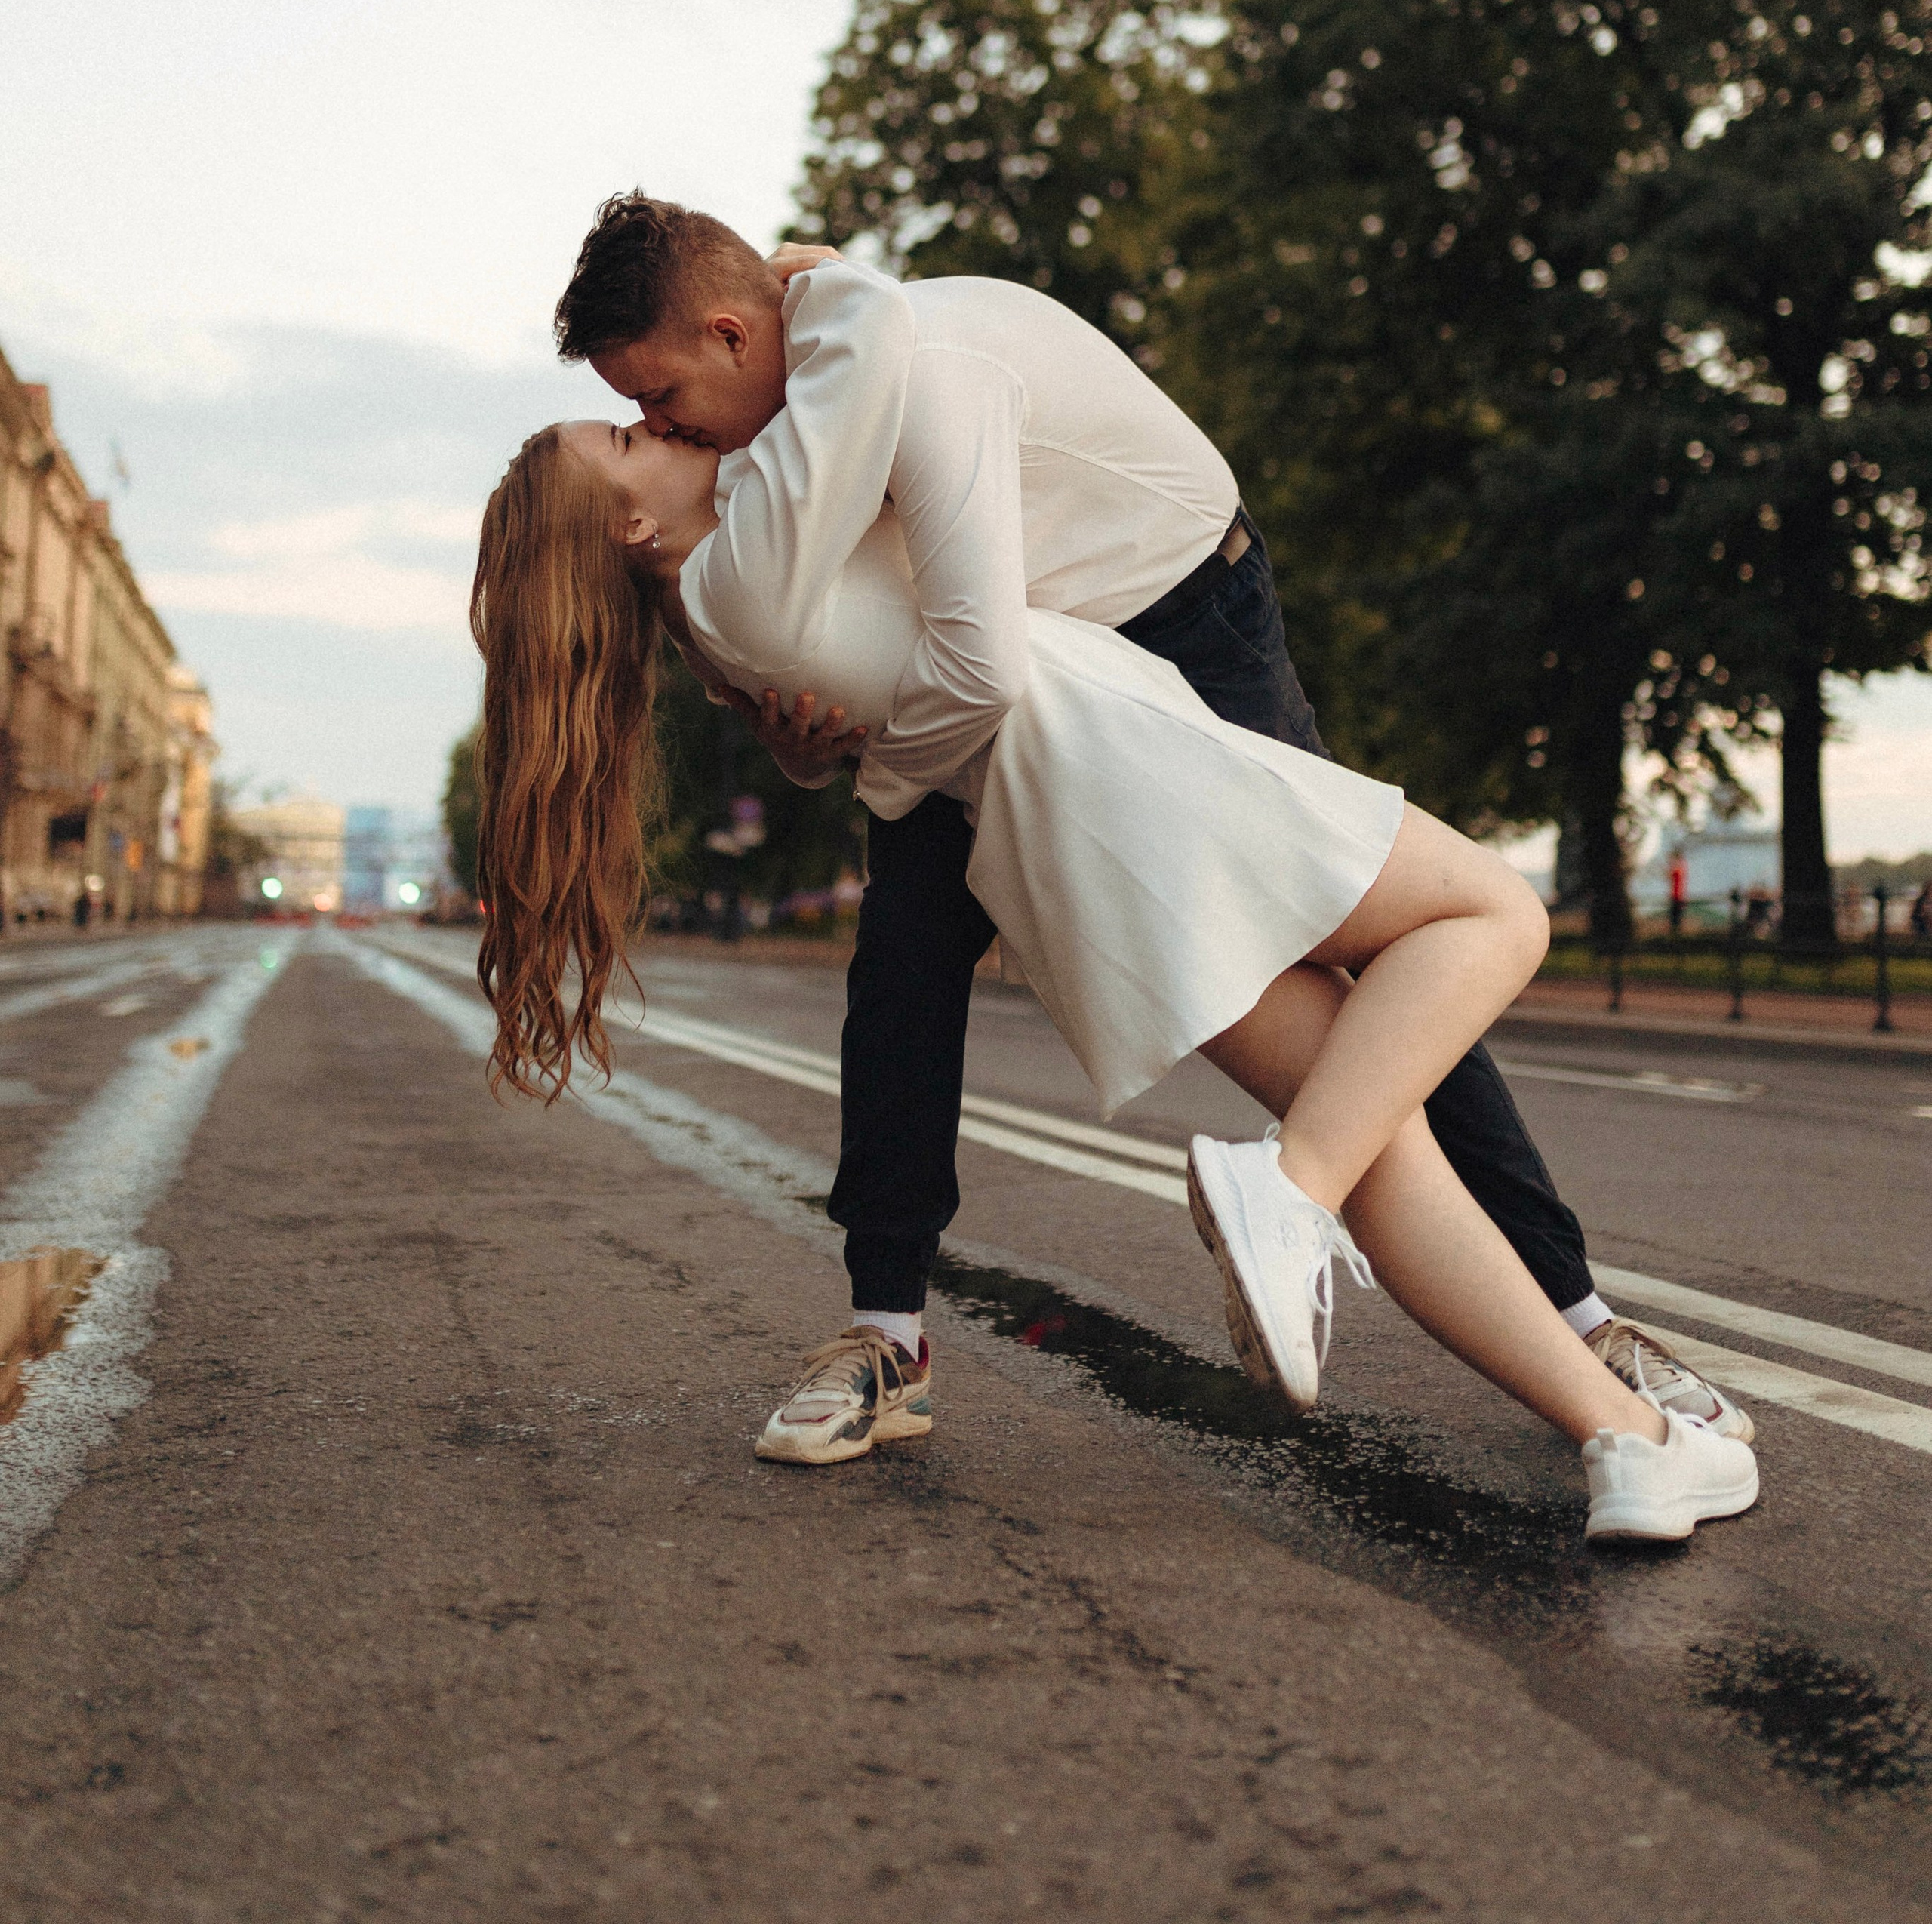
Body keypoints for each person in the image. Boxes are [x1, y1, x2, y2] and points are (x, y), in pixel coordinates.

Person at [548, 198, 1751, 1455]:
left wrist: (878, 768)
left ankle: (1579, 1311)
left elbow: (951, 653)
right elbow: (803, 640)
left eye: (665, 395)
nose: (661, 426)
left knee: (1367, 954)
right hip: (1004, 677)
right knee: (901, 961)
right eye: (640, 416)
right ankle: (885, 1330)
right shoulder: (754, 441)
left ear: (737, 333)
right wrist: (804, 748)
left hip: (1172, 610)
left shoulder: (913, 368)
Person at [469, 460, 1758, 1550]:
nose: (668, 421)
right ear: (633, 526)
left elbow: (842, 708)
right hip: (1125, 756)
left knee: (1379, 1132)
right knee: (1495, 919)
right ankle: (1292, 1191)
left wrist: (812, 742)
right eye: (632, 428)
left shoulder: (713, 613)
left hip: (1060, 858)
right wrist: (811, 281)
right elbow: (874, 342)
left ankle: (1629, 1445)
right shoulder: (767, 529)